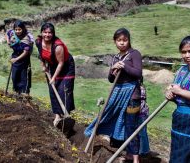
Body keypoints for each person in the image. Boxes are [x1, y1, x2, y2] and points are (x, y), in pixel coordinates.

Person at [84, 28, 142, 163]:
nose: (122, 43)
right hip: (117, 94)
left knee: (130, 125)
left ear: (129, 40)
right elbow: (111, 79)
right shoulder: (116, 57)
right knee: (110, 117)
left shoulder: (134, 54)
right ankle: (126, 152)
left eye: (125, 40)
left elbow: (138, 73)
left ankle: (135, 158)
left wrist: (125, 67)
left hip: (132, 96)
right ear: (115, 41)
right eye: (119, 40)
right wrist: (113, 68)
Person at [35, 22, 75, 126]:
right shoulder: (38, 42)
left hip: (66, 67)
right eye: (45, 32)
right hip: (52, 66)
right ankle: (58, 115)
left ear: (53, 34)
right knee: (53, 90)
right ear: (41, 32)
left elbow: (61, 63)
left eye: (50, 33)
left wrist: (53, 78)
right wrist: (43, 65)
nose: (47, 35)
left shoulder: (58, 46)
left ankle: (66, 115)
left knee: (64, 90)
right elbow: (41, 54)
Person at [6, 20, 33, 94]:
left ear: (23, 29)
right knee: (15, 76)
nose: (17, 31)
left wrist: (16, 59)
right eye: (16, 29)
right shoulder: (12, 33)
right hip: (15, 56)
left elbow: (26, 52)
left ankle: (25, 95)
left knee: (24, 78)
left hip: (24, 60)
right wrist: (8, 41)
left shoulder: (26, 38)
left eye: (19, 29)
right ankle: (16, 92)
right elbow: (7, 33)